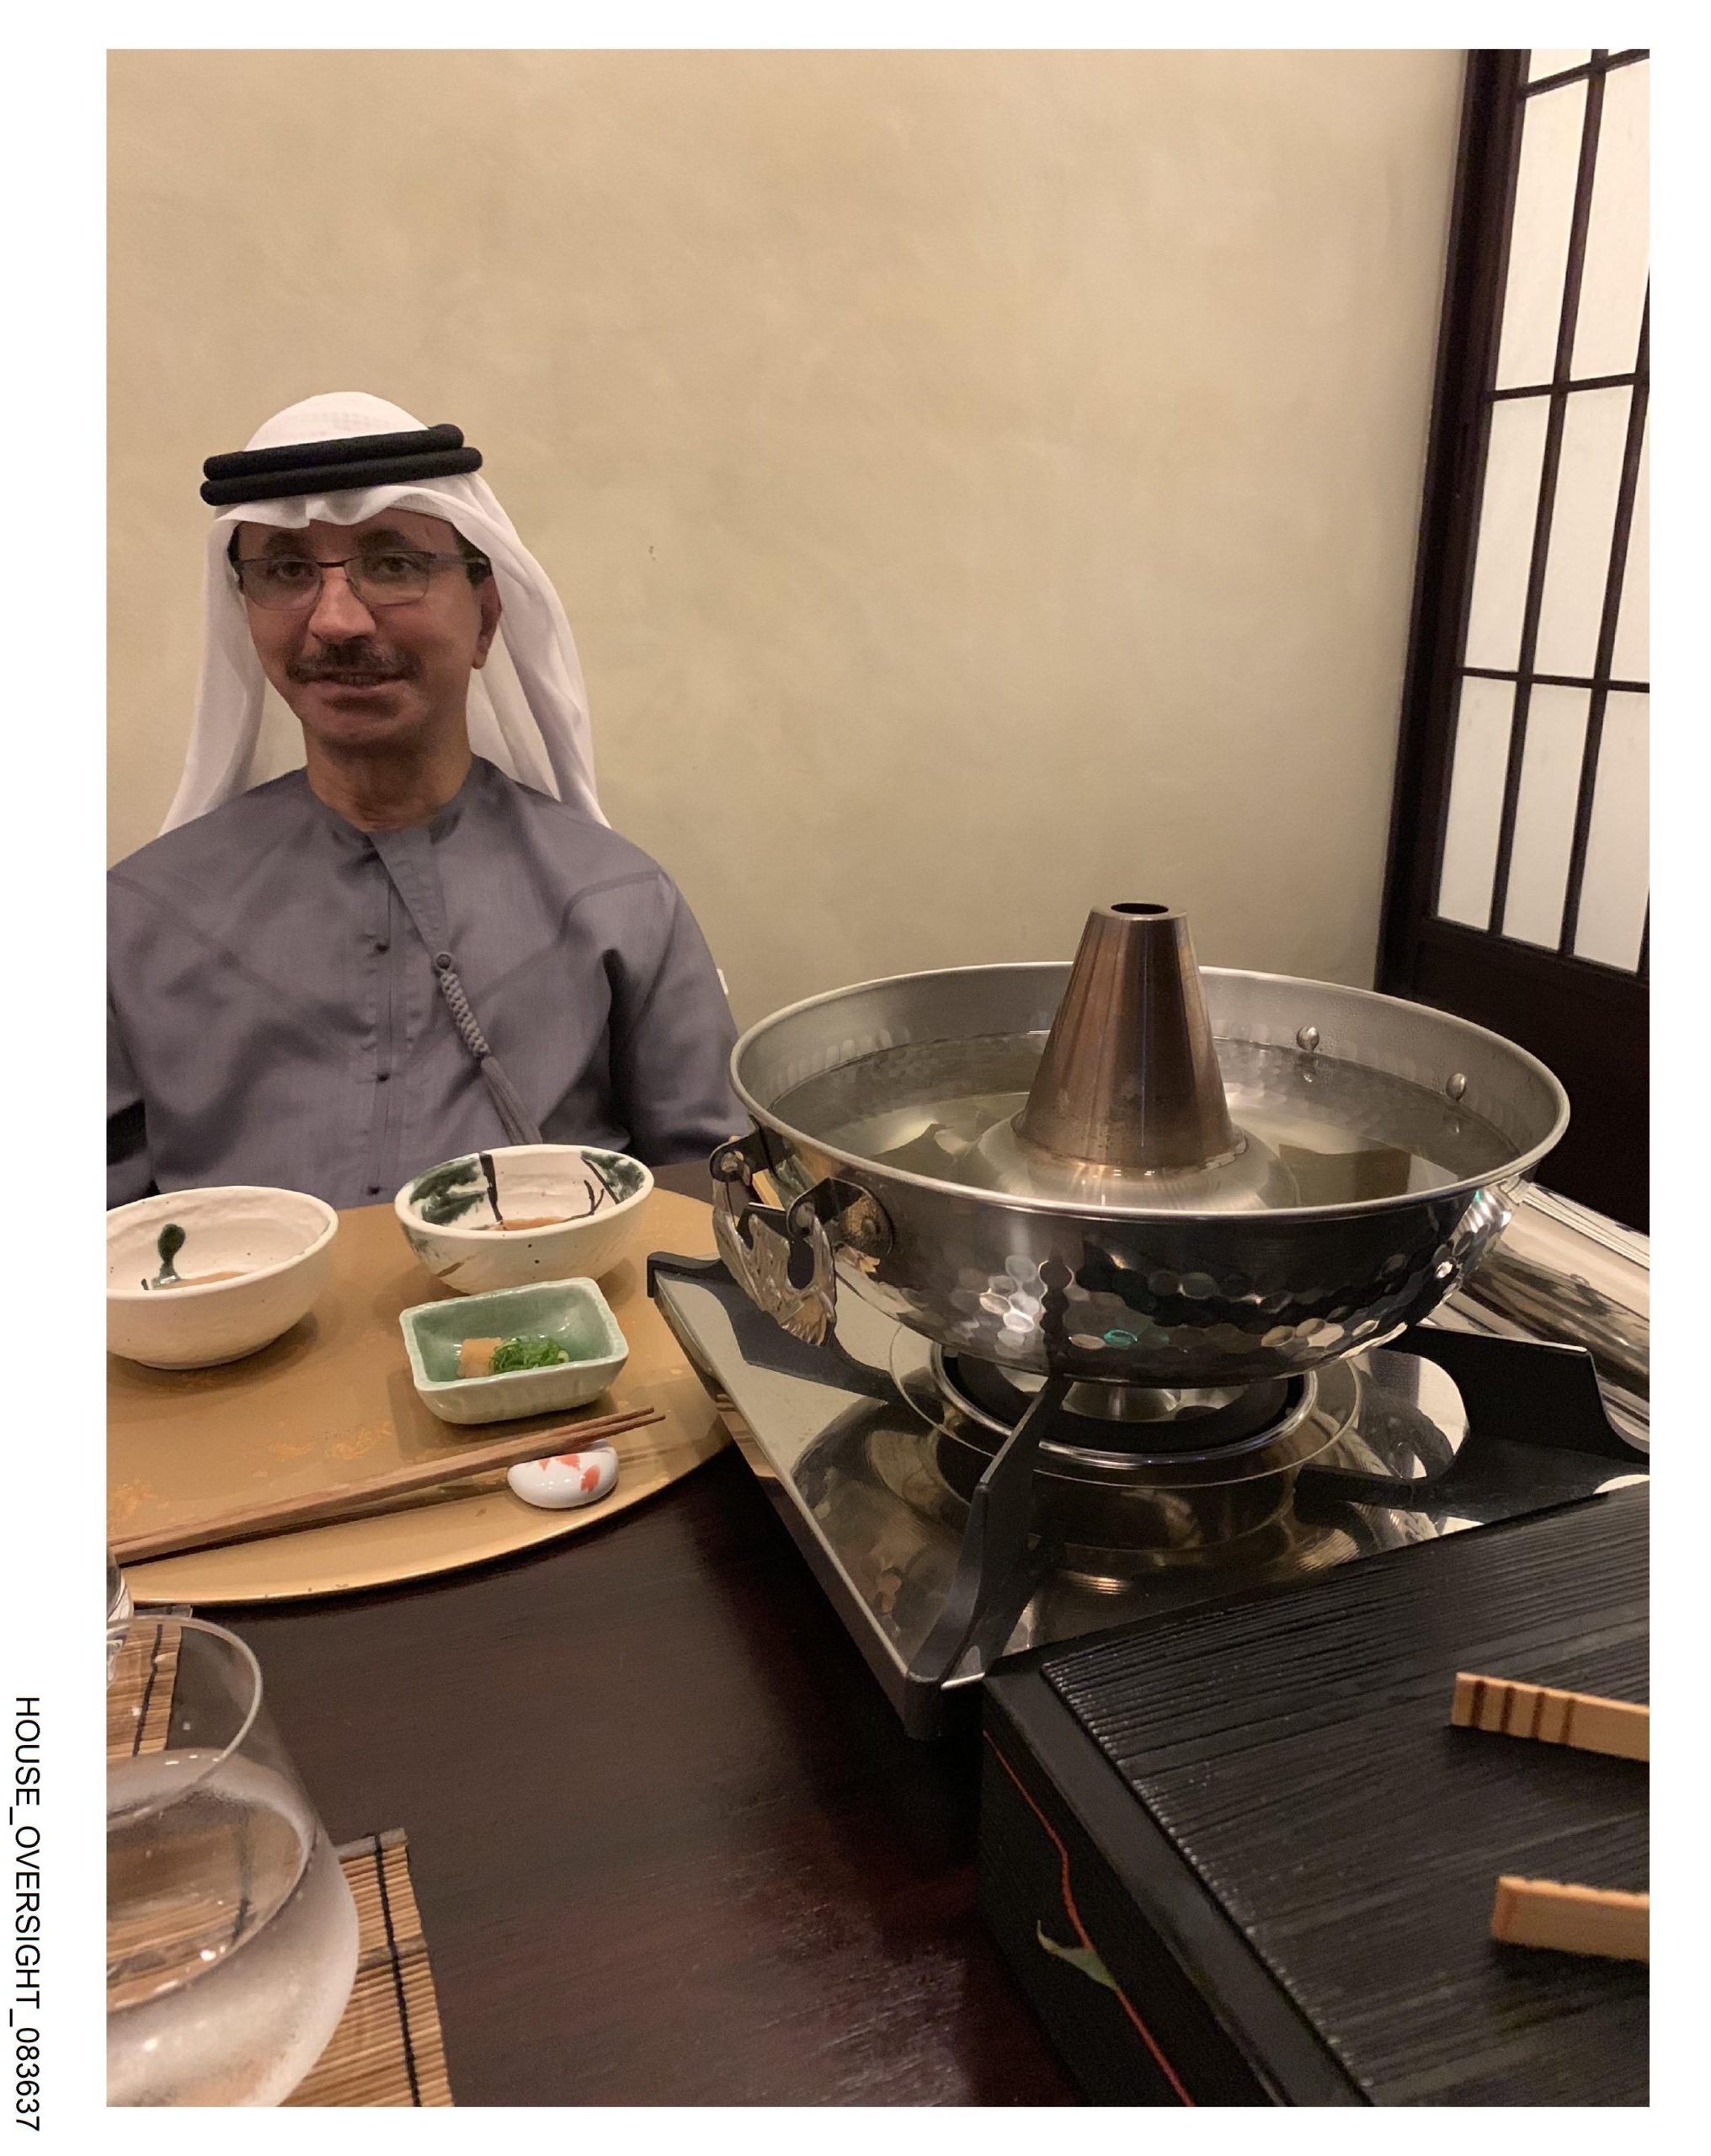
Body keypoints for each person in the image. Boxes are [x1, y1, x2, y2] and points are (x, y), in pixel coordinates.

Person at [109, 392, 742, 1211]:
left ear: (485, 618)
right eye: (288, 571)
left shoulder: (621, 901)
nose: (337, 620)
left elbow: (707, 1206)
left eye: (395, 565)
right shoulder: (138, 919)